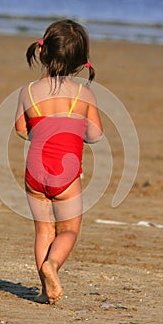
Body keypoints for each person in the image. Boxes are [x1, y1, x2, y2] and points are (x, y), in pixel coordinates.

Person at [15, 19, 102, 304]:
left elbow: (20, 129)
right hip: (66, 176)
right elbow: (95, 134)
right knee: (69, 230)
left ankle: (44, 290)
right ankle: (52, 265)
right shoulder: (83, 94)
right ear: (80, 61)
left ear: (43, 52)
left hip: (35, 173)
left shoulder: (27, 92)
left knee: (43, 230)